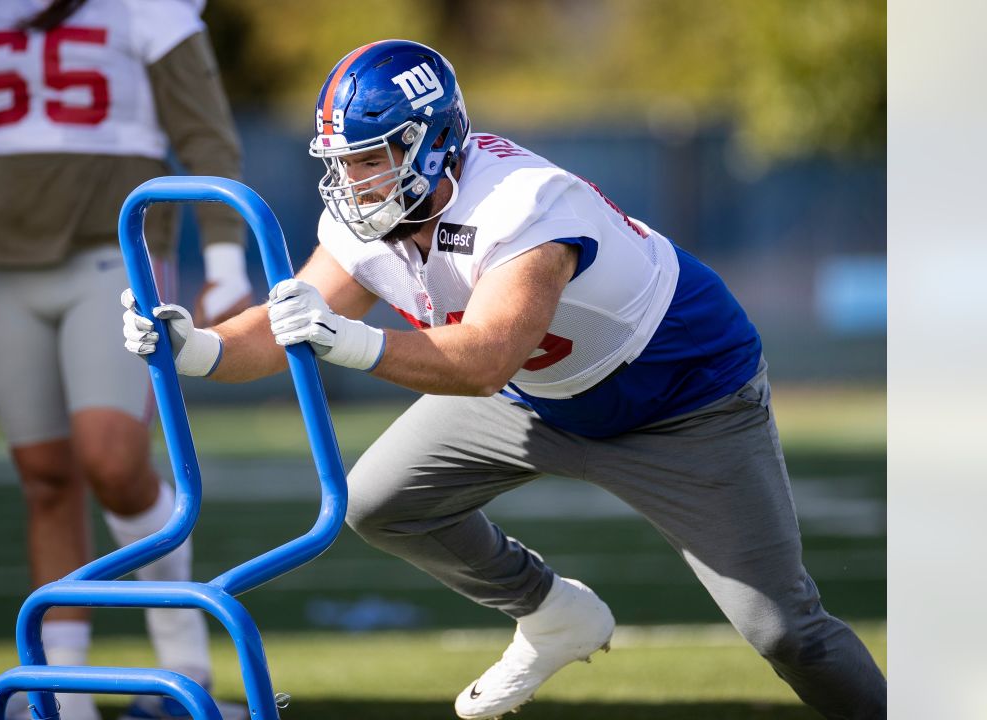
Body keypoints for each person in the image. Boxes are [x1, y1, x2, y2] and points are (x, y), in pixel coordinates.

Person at [120, 39, 887, 720]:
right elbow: (282, 323)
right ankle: (553, 615)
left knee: (786, 631)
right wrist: (194, 348)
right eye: (342, 161)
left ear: (433, 144)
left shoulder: (525, 204)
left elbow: (485, 359)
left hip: (681, 401)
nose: (352, 180)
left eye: (372, 157)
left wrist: (348, 342)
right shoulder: (368, 221)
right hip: (541, 400)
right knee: (381, 503)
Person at [0, 1, 251, 718]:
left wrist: (225, 259)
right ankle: (64, 695)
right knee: (44, 478)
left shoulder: (143, 10)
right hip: (6, 262)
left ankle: (185, 661)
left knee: (113, 459)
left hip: (112, 247)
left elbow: (206, 135)